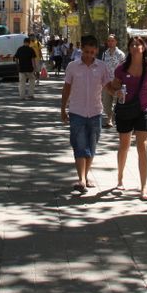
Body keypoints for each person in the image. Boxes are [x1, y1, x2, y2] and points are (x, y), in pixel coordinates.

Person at [60, 35, 113, 195]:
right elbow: (66, 89)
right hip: (77, 112)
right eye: (86, 51)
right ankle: (81, 179)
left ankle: (85, 176)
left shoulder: (102, 67)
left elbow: (108, 87)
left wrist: (118, 92)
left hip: (96, 112)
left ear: (96, 50)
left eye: (92, 52)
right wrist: (63, 109)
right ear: (81, 49)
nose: (89, 55)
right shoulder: (72, 66)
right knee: (79, 146)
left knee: (91, 146)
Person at [110, 36, 147, 200]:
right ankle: (119, 179)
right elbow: (113, 87)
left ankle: (144, 187)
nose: (135, 47)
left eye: (138, 44)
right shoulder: (121, 69)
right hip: (125, 110)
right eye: (132, 44)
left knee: (142, 147)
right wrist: (116, 90)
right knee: (124, 145)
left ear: (144, 47)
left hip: (143, 110)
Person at [100, 35, 126, 127]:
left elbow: (124, 69)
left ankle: (111, 119)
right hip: (106, 82)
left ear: (116, 42)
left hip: (117, 81)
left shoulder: (121, 54)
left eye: (112, 41)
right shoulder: (104, 54)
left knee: (118, 102)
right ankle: (110, 117)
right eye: (109, 41)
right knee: (106, 103)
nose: (110, 43)